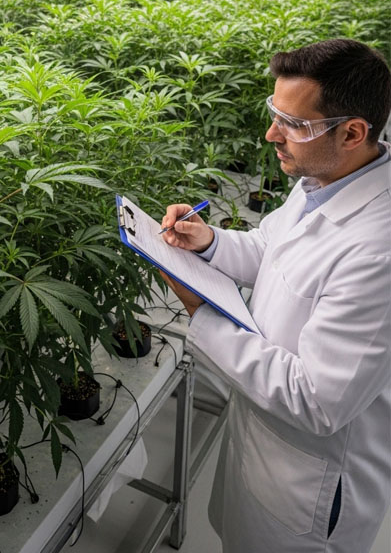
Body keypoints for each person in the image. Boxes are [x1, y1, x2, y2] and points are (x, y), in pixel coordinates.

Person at [160, 38, 391, 553]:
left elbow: (317, 401)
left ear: (353, 132)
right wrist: (210, 241)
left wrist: (202, 316)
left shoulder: (379, 252)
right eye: (274, 114)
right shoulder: (323, 174)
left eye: (293, 124)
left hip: (310, 483)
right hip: (264, 442)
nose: (271, 135)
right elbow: (272, 246)